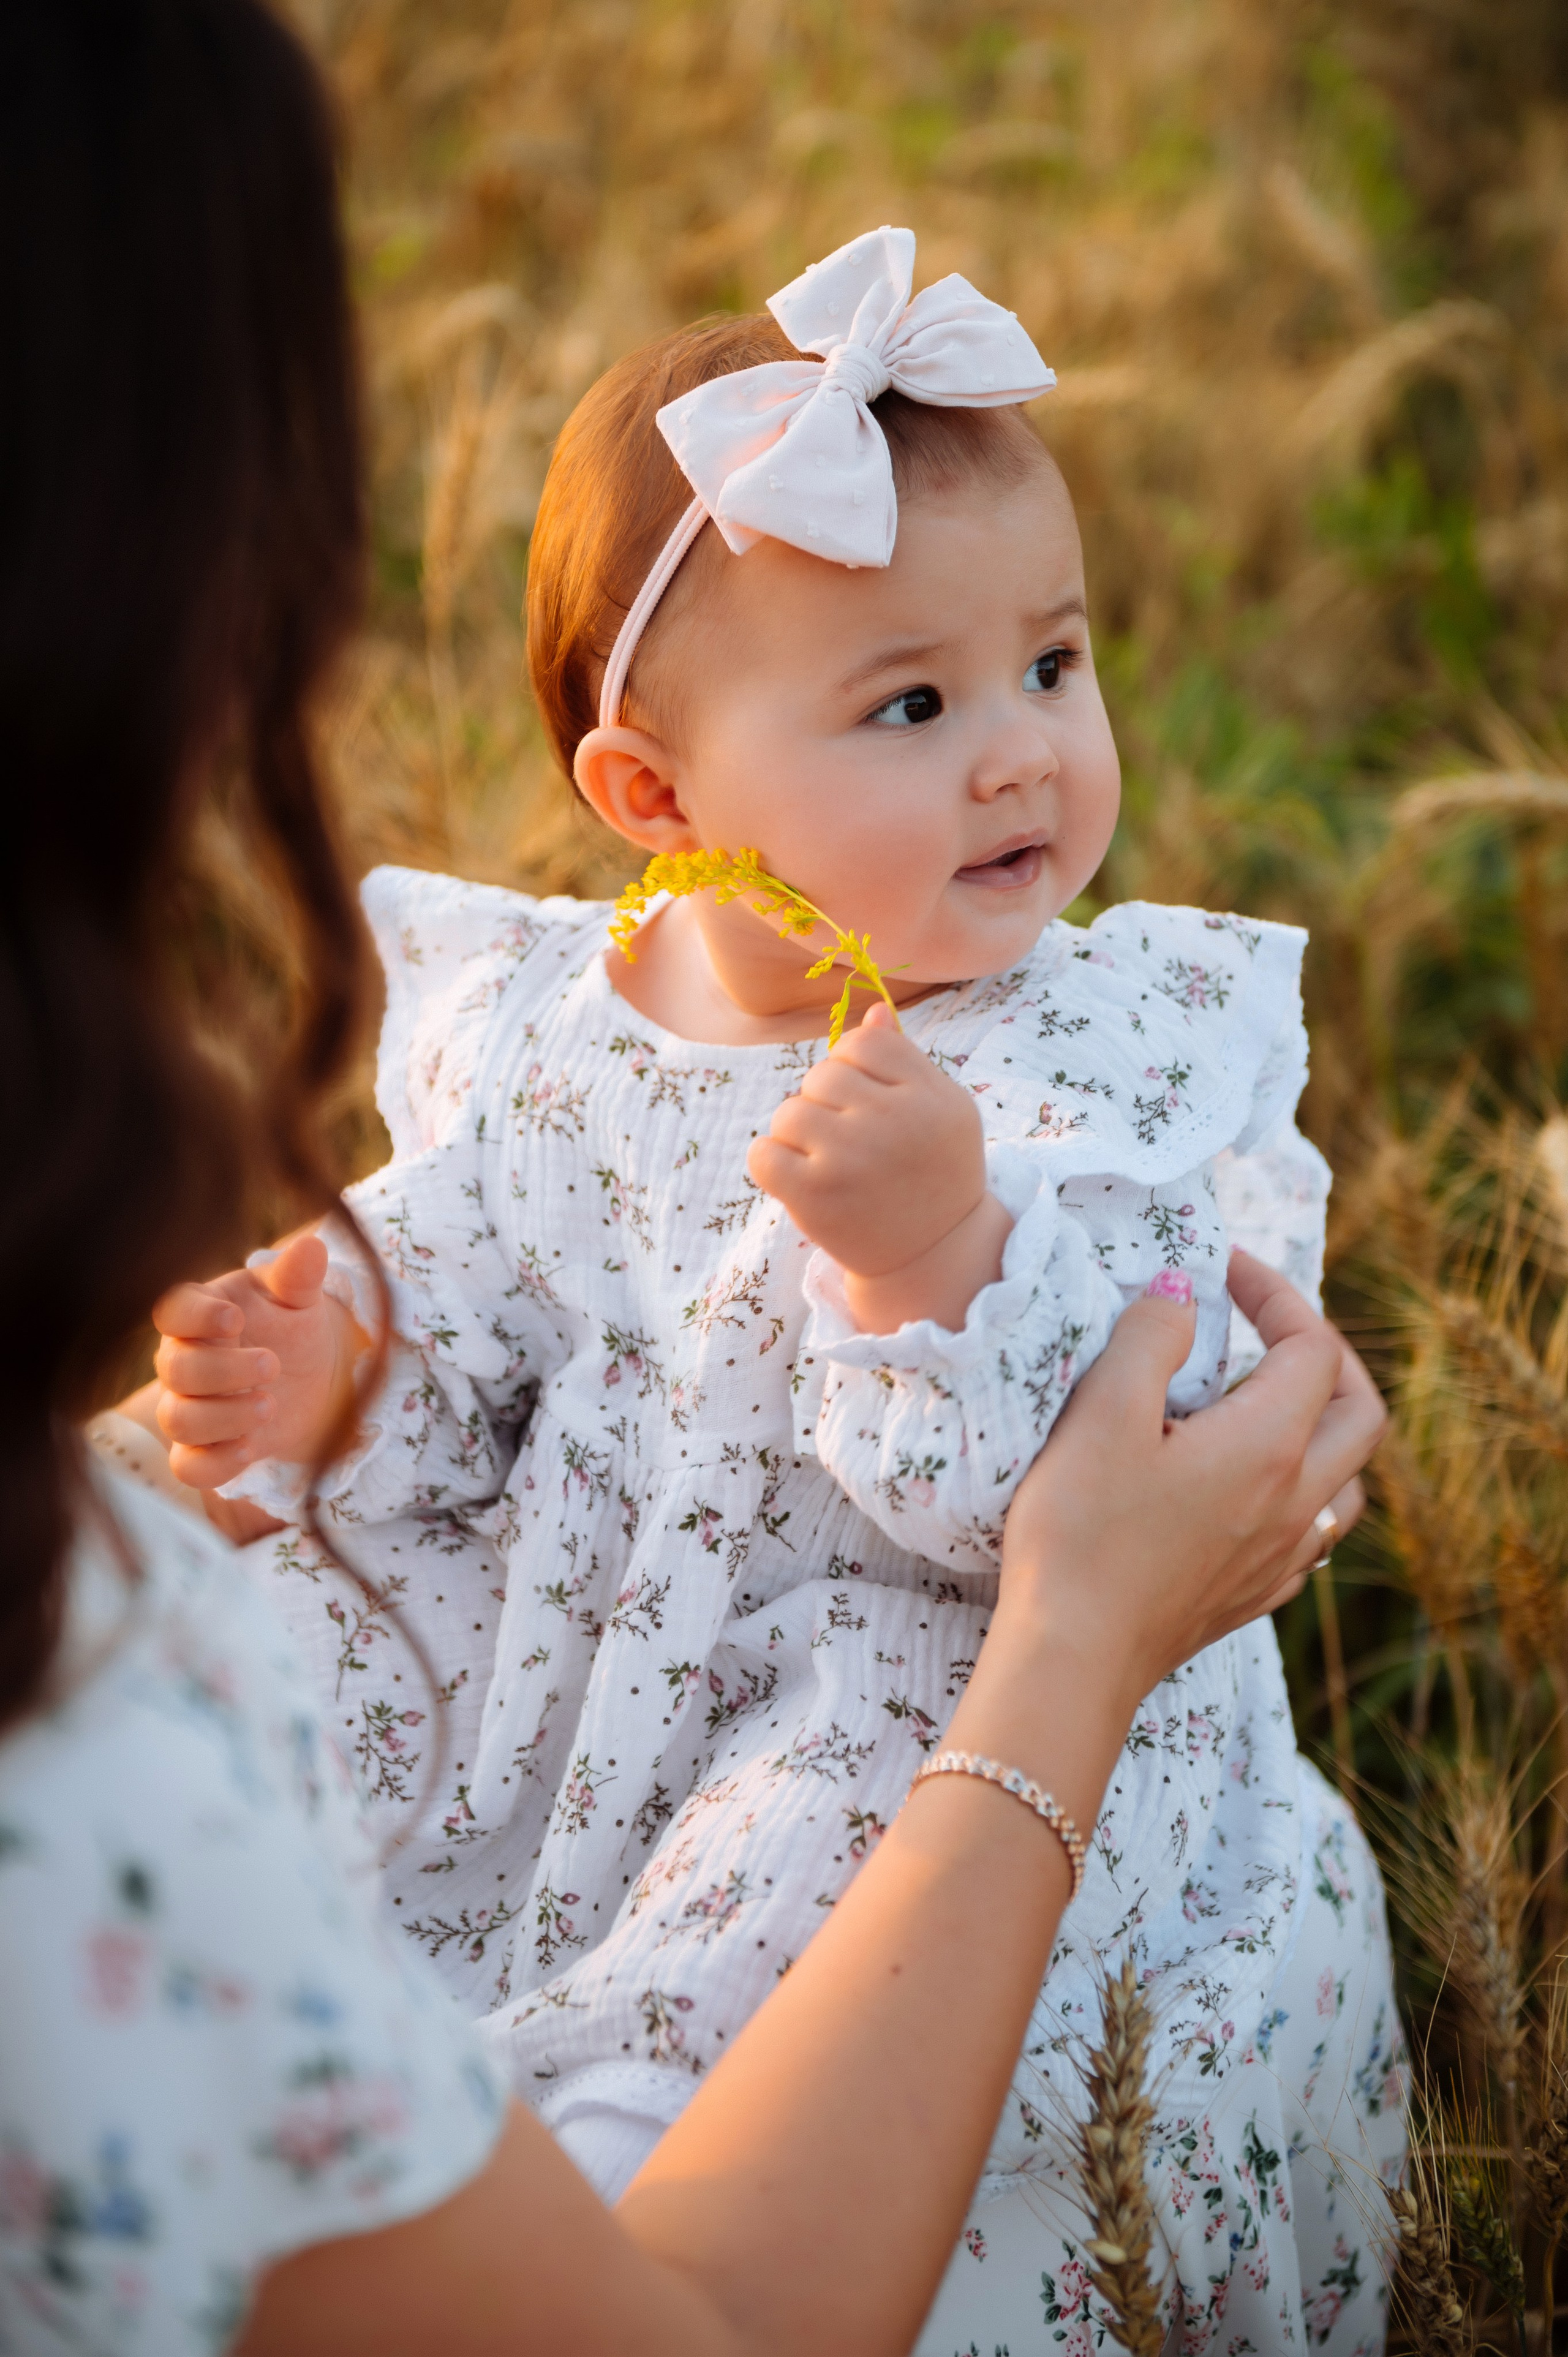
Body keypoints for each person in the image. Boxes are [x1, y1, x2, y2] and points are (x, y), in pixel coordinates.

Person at [145, 225, 1405, 2345]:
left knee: (772, 1914)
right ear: (655, 800)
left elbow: (1127, 1474)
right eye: (912, 702)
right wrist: (345, 1361)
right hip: (590, 1652)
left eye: (1054, 666)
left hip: (909, 1691)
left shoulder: (1104, 1060)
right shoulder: (557, 1012)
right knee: (288, 1701)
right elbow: (493, 1290)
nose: (1021, 755)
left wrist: (938, 1254)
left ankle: (673, 2204)